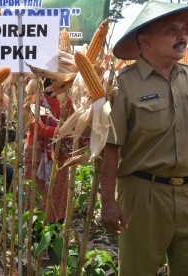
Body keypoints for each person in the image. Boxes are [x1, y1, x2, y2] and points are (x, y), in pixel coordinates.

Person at [100, 1, 188, 275]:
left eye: (184, 29)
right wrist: (108, 203)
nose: (182, 36)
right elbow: (111, 148)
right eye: (171, 30)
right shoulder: (124, 85)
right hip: (143, 195)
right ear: (144, 41)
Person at [23, 78, 72, 224]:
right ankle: (37, 233)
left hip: (59, 153)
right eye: (61, 83)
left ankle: (55, 228)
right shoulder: (37, 100)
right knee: (38, 194)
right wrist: (59, 132)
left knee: (59, 193)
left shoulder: (68, 100)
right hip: (38, 154)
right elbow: (35, 125)